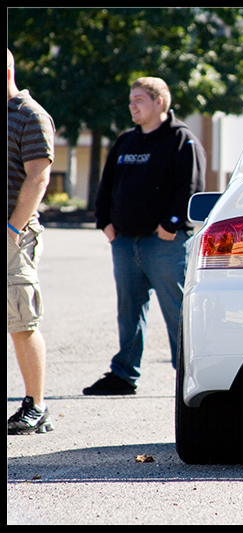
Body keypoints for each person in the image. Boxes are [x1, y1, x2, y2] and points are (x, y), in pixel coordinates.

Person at [83, 77, 205, 395]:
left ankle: (190, 376)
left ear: (159, 102)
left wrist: (171, 225)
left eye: (139, 99)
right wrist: (104, 222)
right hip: (124, 242)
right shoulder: (125, 142)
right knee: (129, 311)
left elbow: (190, 187)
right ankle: (123, 375)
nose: (132, 105)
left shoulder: (182, 140)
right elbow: (106, 184)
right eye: (130, 99)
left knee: (178, 311)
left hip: (164, 243)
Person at [7, 48, 56, 434]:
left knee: (21, 320)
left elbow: (38, 177)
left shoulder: (31, 115)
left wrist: (12, 229)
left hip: (14, 234)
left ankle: (36, 406)